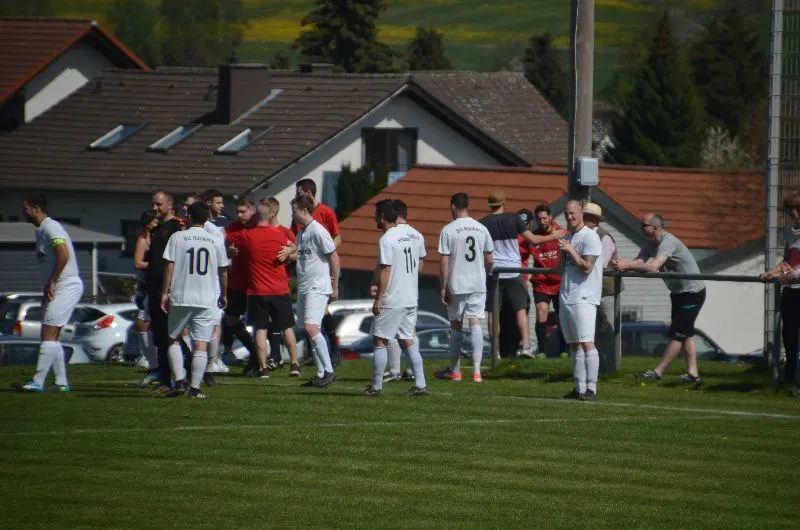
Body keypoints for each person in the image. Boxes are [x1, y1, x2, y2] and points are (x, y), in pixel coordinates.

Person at [614, 213, 706, 384]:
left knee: (677, 334)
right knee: (685, 333)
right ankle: (693, 374)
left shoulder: (667, 242)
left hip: (692, 292)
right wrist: (625, 265)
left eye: (644, 225)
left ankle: (658, 372)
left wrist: (628, 265)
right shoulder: (650, 243)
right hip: (678, 292)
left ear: (655, 227)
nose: (640, 228)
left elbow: (653, 266)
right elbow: (639, 261)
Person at [480, 190, 565, 358]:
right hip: (514, 271)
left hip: (495, 272)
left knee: (493, 312)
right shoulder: (514, 219)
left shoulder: (483, 223)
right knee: (520, 309)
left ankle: (495, 351)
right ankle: (526, 346)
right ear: (503, 203)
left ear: (489, 205)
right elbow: (533, 239)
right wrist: (554, 236)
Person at [13, 195, 84, 393]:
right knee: (52, 336)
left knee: (48, 334)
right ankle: (61, 383)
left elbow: (64, 254)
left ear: (36, 208)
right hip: (56, 287)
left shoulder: (51, 227)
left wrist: (53, 280)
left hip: (67, 286)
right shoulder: (40, 230)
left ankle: (37, 381)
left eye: (25, 208)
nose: (23, 213)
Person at [160, 201, 229, 399]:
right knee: (200, 344)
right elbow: (223, 271)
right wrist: (224, 294)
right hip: (206, 298)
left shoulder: (177, 237)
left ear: (189, 217)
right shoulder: (215, 240)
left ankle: (180, 379)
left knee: (173, 339)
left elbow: (169, 267)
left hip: (181, 295)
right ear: (206, 219)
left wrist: (165, 292)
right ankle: (195, 389)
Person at [226, 200, 299, 378]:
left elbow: (226, 239)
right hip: (280, 289)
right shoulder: (279, 234)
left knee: (260, 329)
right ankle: (295, 365)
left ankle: (263, 368)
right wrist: (291, 250)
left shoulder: (247, 236)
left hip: (257, 290)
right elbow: (294, 247)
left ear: (256, 215)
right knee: (287, 327)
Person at [363, 200, 428, 397]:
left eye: (376, 215)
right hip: (411, 297)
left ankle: (376, 386)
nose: (375, 218)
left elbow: (385, 270)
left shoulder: (387, 239)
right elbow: (420, 264)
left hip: (393, 298)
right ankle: (421, 384)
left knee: (380, 341)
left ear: (383, 217)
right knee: (408, 340)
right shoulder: (416, 235)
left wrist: (379, 298)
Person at [435, 192, 494, 383]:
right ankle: (477, 372)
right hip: (477, 283)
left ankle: (455, 371)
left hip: (457, 283)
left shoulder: (448, 229)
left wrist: (443, 286)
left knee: (456, 325)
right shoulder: (481, 228)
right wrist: (485, 271)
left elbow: (444, 261)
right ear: (469, 205)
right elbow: (489, 259)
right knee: (475, 323)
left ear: (453, 206)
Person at [287, 195, 340, 387]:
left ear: (304, 211)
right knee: (308, 330)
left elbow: (334, 257)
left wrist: (335, 285)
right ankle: (320, 373)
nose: (292, 215)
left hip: (317, 287)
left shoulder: (318, 230)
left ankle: (329, 371)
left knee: (312, 328)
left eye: (294, 211)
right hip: (305, 287)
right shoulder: (302, 232)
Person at [558, 200, 603, 401]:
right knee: (574, 343)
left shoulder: (590, 236)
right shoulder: (569, 237)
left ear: (581, 214)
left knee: (586, 342)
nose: (570, 217)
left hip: (584, 296)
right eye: (566, 214)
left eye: (573, 213)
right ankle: (579, 387)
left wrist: (570, 250)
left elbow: (586, 267)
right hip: (567, 294)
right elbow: (561, 269)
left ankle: (591, 388)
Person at [760, 191, 800, 391]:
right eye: (790, 212)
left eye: (794, 211)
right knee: (789, 335)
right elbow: (787, 262)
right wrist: (772, 272)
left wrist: (795, 275)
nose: (792, 216)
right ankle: (790, 379)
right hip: (791, 292)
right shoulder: (791, 234)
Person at [144, 190, 184, 394]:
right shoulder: (156, 229)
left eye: (158, 204)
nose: (154, 208)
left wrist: (169, 289)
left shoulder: (177, 228)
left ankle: (184, 378)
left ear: (170, 205)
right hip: (155, 288)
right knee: (160, 337)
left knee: (174, 336)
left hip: (170, 289)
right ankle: (165, 379)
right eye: (153, 204)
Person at [221, 196, 260, 375]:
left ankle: (262, 359)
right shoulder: (233, 228)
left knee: (260, 323)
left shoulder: (259, 227)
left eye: (243, 211)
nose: (239, 215)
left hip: (256, 282)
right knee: (230, 319)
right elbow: (220, 246)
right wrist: (227, 252)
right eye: (237, 212)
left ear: (252, 210)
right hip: (236, 282)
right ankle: (253, 352)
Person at [582, 203, 622, 371]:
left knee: (608, 328)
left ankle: (610, 365)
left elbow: (601, 264)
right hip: (593, 291)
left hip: (606, 291)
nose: (582, 220)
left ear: (594, 220)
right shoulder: (584, 236)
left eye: (586, 217)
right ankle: (597, 365)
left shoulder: (604, 237)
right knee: (595, 329)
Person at [267, 196, 300, 374]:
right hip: (263, 284)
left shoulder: (285, 232)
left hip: (281, 284)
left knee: (286, 324)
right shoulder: (259, 231)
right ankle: (275, 357)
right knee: (268, 323)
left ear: (272, 212)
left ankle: (295, 362)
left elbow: (297, 253)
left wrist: (288, 254)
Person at [529, 204, 565, 356]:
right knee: (541, 312)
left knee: (562, 315)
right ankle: (542, 350)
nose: (542, 221)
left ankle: (563, 349)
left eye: (545, 218)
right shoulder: (533, 236)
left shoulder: (562, 233)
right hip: (541, 282)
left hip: (559, 282)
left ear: (550, 217)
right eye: (539, 219)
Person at [133, 211, 159, 378]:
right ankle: (150, 360)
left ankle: (155, 363)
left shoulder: (157, 238)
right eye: (154, 221)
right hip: (146, 285)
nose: (157, 223)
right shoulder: (143, 240)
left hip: (155, 284)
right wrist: (155, 264)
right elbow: (137, 262)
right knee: (142, 322)